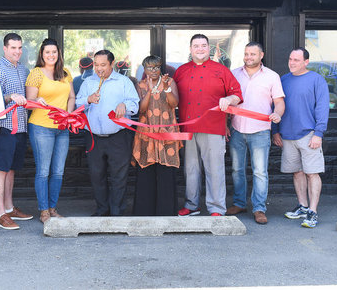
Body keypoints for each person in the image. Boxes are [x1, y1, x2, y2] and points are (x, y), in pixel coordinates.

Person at [174, 34, 243, 217]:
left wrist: (228, 99)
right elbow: (172, 98)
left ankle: (216, 208)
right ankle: (192, 205)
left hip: (213, 127)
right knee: (190, 169)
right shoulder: (180, 71)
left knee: (215, 170)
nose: (200, 49)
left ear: (209, 48)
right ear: (190, 49)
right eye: (196, 46)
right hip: (187, 129)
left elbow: (236, 94)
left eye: (203, 45)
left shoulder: (221, 70)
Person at [75, 49, 139, 216]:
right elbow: (77, 105)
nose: (99, 68)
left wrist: (124, 105)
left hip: (118, 136)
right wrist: (87, 100)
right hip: (93, 136)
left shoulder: (123, 81)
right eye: (96, 65)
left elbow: (135, 104)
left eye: (103, 65)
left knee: (119, 176)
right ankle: (102, 210)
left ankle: (117, 212)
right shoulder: (88, 82)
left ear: (111, 63)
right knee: (97, 175)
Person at [227, 42, 285, 224]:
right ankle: (239, 203)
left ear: (261, 55)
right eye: (246, 54)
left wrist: (277, 113)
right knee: (237, 170)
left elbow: (280, 102)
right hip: (237, 129)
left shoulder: (272, 76)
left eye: (252, 54)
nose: (248, 57)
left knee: (260, 172)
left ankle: (259, 208)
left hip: (260, 131)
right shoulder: (234, 74)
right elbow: (226, 101)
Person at [272, 47, 329, 229]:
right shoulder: (283, 80)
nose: (292, 63)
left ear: (306, 62)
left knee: (312, 173)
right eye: (290, 59)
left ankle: (312, 211)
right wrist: (275, 131)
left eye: (296, 60)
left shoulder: (316, 80)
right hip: (287, 135)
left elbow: (322, 108)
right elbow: (275, 106)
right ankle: (303, 206)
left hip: (309, 134)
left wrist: (318, 133)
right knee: (297, 172)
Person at [25, 38, 76, 223]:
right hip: (41, 127)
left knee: (58, 171)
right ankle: (44, 211)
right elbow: (29, 103)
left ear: (58, 54)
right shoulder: (36, 73)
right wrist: (37, 100)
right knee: (43, 171)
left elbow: (71, 97)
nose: (51, 55)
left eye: (54, 52)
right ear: (42, 54)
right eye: (47, 52)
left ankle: (53, 208)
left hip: (62, 128)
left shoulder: (65, 73)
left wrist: (68, 116)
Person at [0, 33, 34, 229]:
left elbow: (27, 97)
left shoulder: (23, 69)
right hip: (3, 128)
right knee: (1, 169)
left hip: (21, 127)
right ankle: (0, 214)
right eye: (13, 48)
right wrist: (9, 96)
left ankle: (9, 208)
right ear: (5, 49)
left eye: (19, 48)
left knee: (12, 169)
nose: (17, 51)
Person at [132, 55, 182, 216]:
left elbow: (174, 104)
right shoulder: (140, 85)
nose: (153, 71)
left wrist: (166, 88)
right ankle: (144, 212)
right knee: (146, 172)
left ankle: (166, 212)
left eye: (156, 67)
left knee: (166, 172)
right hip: (146, 134)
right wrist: (149, 90)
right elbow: (141, 109)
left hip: (166, 132)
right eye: (149, 68)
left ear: (161, 68)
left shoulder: (170, 82)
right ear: (144, 69)